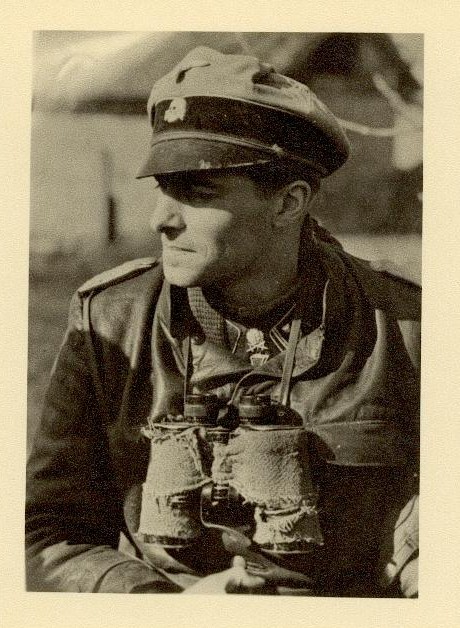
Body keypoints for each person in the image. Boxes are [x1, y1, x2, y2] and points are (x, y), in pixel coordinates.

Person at [26, 46, 420, 596]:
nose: (161, 219)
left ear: (288, 203)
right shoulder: (110, 322)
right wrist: (163, 606)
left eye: (198, 192)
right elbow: (45, 536)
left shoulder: (407, 328)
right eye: (164, 189)